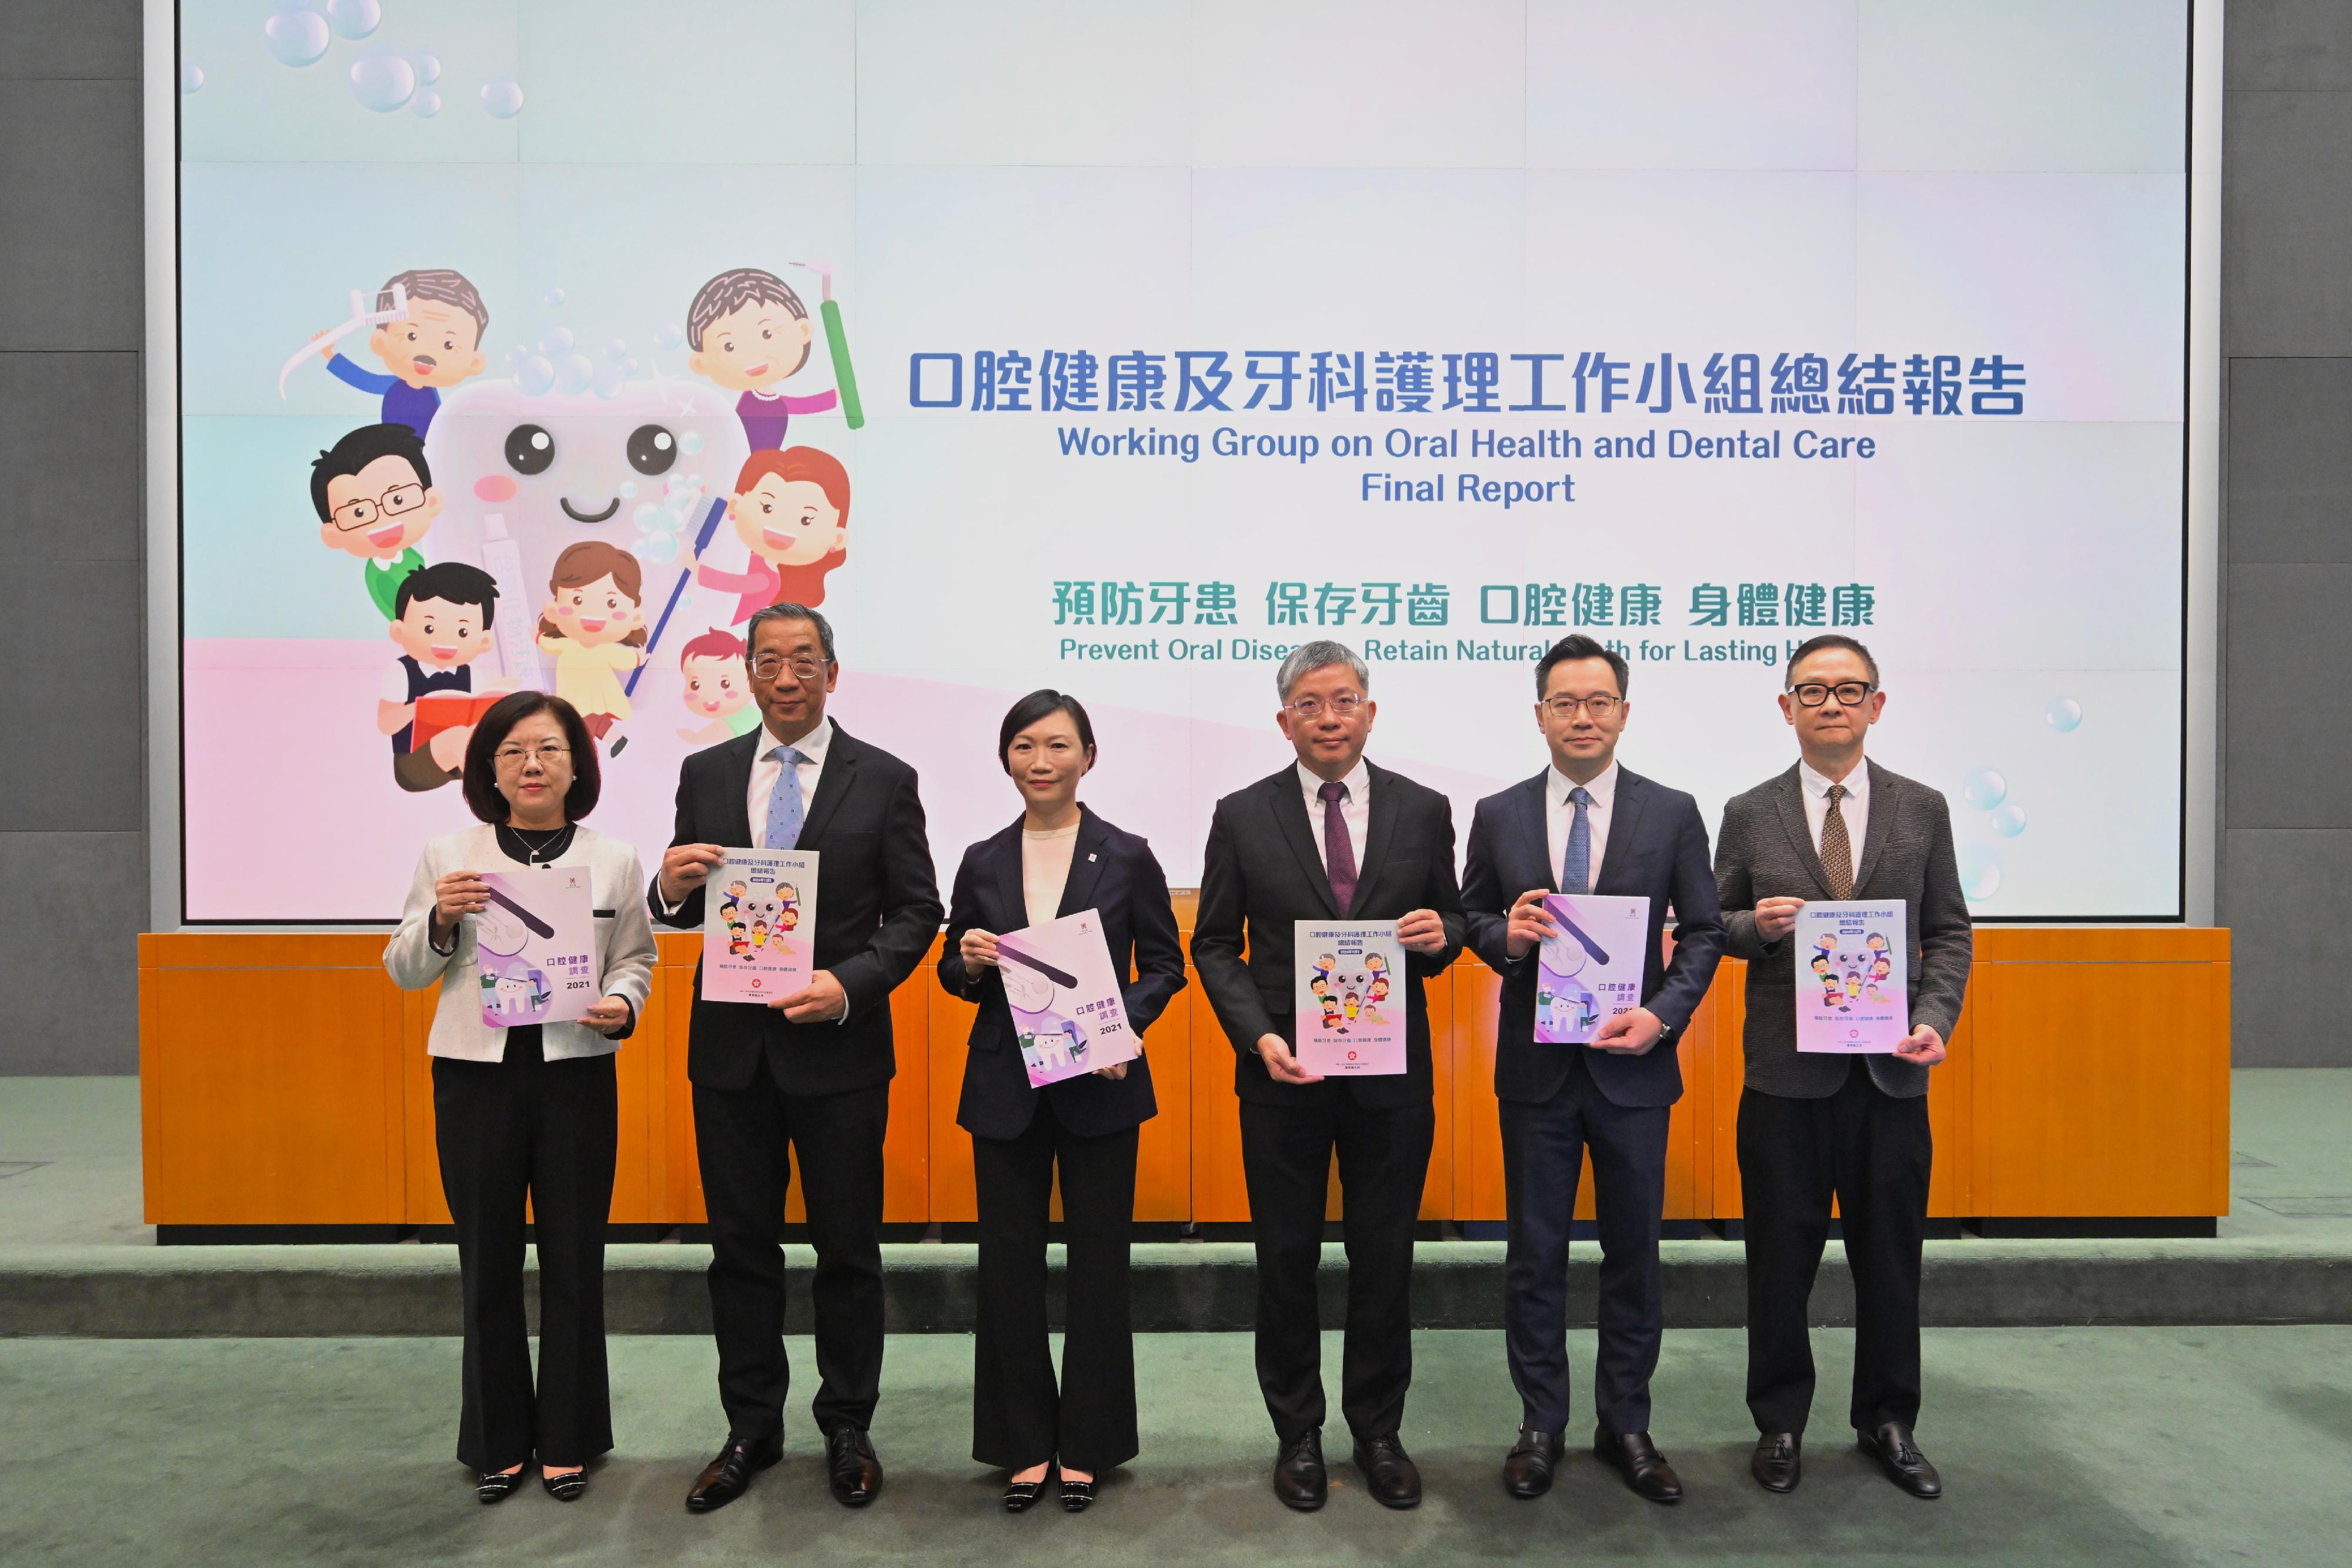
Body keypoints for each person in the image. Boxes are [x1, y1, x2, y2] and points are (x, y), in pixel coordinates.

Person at [651, 601, 943, 1513]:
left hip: (841, 1051)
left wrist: (850, 983)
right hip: (732, 1055)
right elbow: (689, 909)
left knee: (847, 1250)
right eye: (769, 661)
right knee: (740, 1249)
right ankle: (751, 1428)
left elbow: (916, 912)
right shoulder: (705, 772)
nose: (786, 677)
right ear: (745, 670)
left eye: (804, 661)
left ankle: (848, 1424)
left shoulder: (885, 778)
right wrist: (667, 887)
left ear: (832, 672)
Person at [1191, 640, 1466, 1512]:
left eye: (1344, 700)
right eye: (1309, 704)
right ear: (1285, 721)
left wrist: (1441, 938)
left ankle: (1379, 1430)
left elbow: (1452, 920)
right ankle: (1298, 1433)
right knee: (1287, 1257)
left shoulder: (1424, 809)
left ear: (1370, 712)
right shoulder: (1242, 814)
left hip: (1392, 1078)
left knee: (1384, 1254)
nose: (1329, 718)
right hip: (1284, 1076)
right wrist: (1257, 1036)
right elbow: (1214, 944)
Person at [1461, 634, 1726, 1505]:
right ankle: (1541, 1423)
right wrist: (1508, 935)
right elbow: (1471, 919)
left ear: (1623, 711)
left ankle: (1627, 1424)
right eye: (1565, 703)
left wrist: (1664, 1015)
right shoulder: (1499, 814)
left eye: (1599, 701)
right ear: (1540, 713)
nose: (1583, 716)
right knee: (1534, 1254)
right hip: (1536, 1072)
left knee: (1632, 1253)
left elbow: (1708, 930)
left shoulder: (1672, 810)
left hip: (1633, 1067)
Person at [382, 691, 658, 1505]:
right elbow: (403, 968)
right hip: (476, 1078)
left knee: (576, 1260)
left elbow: (635, 960)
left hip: (575, 1073)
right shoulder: (450, 852)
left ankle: (570, 1437)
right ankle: (498, 1440)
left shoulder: (612, 858)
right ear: (488, 771)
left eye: (548, 750)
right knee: (488, 1261)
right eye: (512, 753)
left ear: (579, 765)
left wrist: (624, 1004)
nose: (531, 765)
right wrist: (439, 920)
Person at [1713, 633, 1972, 1500]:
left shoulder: (1922, 808)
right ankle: (1780, 1421)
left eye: (1849, 689)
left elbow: (1949, 932)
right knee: (1779, 1262)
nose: (1831, 703)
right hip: (1786, 1080)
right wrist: (1764, 927)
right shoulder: (1750, 812)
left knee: (1891, 1259)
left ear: (1877, 705)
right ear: (1786, 706)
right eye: (1812, 690)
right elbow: (1715, 927)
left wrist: (1935, 1018)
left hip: (1890, 1077)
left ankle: (1888, 1420)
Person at [937, 691, 1187, 1513]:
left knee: (1097, 1266)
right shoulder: (981, 858)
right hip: (1006, 1084)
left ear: (1089, 756)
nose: (1040, 761)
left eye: (1057, 746)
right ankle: (1020, 1444)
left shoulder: (1126, 854)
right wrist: (970, 960)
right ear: (1006, 758)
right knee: (1007, 1268)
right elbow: (952, 973)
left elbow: (1165, 965)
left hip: (1100, 1083)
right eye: (1023, 747)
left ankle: (1089, 1443)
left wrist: (1124, 1027)